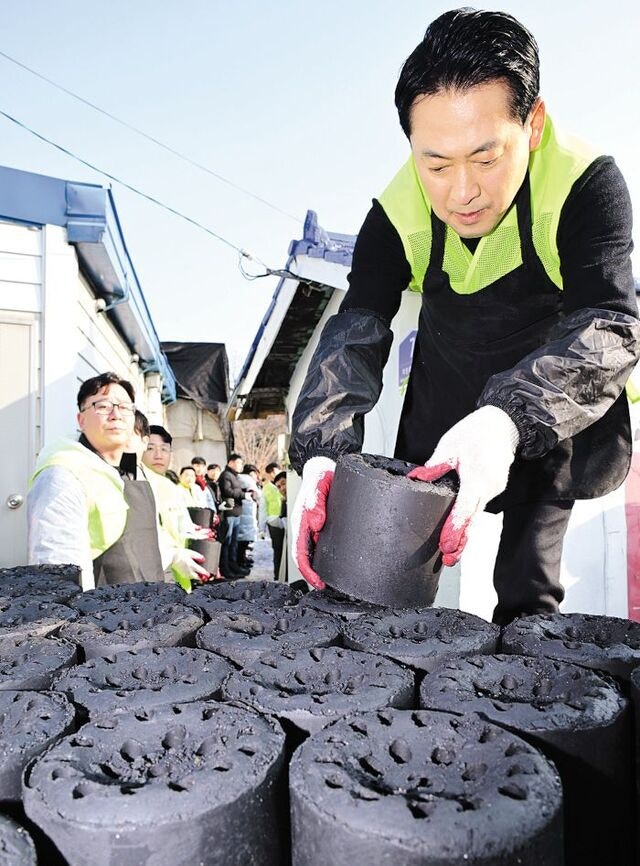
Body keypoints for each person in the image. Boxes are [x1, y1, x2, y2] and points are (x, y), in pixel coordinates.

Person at [289, 9, 640, 626]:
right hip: (448, 394)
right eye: (437, 164)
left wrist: (506, 421)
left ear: (532, 125)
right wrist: (321, 448)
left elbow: (612, 323)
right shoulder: (397, 211)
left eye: (485, 157)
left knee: (528, 586)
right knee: (386, 574)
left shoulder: (585, 185)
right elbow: (356, 327)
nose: (461, 192)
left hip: (552, 398)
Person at [27, 372, 206, 589]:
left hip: (151, 608)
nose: (115, 414)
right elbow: (56, 569)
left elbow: (138, 538)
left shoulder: (129, 471)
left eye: (124, 407)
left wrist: (174, 556)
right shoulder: (63, 475)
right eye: (102, 406)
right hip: (102, 615)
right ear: (81, 419)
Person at [218, 454, 249, 579]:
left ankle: (233, 566)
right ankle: (226, 569)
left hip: (236, 512)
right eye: (238, 463)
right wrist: (243, 494)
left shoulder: (234, 475)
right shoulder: (226, 475)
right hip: (229, 512)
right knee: (227, 542)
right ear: (230, 463)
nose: (240, 465)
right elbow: (227, 491)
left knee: (233, 543)